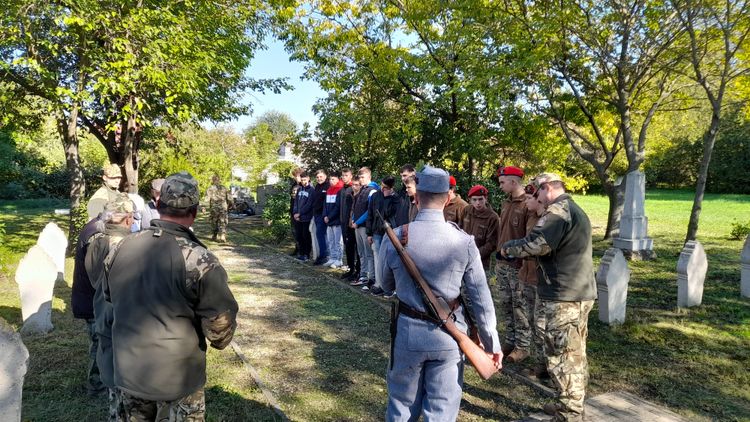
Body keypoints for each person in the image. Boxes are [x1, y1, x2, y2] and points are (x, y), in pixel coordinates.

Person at [104, 172, 238, 421]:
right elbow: (220, 328)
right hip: (178, 379)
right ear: (195, 212)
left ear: (158, 205)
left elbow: (109, 296)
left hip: (129, 370)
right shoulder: (199, 259)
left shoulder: (120, 247)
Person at [379, 165, 502, 420]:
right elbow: (481, 300)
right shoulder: (464, 242)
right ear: (448, 199)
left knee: (402, 408)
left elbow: (385, 285)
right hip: (450, 336)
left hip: (408, 332)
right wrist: (492, 344)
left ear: (417, 196)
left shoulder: (397, 236)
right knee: (442, 412)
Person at [501, 173, 596, 422]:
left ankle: (569, 415)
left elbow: (537, 244)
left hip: (564, 295)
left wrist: (507, 249)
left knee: (563, 356)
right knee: (574, 353)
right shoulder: (573, 210)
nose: (537, 196)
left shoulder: (558, 212)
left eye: (538, 191)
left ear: (547, 188)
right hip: (577, 291)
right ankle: (569, 405)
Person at [85, 193, 134, 421]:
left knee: (109, 371)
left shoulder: (94, 241)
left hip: (101, 312)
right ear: (127, 219)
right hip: (124, 318)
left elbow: (94, 277)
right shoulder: (130, 246)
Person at [494, 165, 532, 363]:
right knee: (506, 303)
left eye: (502, 182)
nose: (499, 186)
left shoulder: (527, 204)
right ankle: (510, 339)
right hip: (502, 264)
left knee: (520, 306)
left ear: (513, 181)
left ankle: (523, 345)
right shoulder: (506, 203)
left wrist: (522, 263)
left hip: (518, 265)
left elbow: (528, 238)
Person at [71, 213, 106, 396]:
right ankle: (96, 385)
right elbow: (98, 274)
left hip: (91, 299)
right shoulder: (97, 234)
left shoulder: (96, 227)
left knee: (99, 341)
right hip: (92, 301)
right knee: (98, 342)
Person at [518, 181, 548, 379]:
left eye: (529, 199)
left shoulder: (547, 221)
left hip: (540, 279)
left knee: (541, 323)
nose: (526, 202)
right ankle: (539, 361)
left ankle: (543, 364)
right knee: (530, 319)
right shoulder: (530, 217)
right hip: (526, 274)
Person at [366, 175, 396, 296]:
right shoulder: (375, 196)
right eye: (382, 186)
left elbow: (390, 213)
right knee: (378, 259)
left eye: (386, 188)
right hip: (376, 232)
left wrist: (388, 197)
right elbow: (370, 214)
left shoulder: (395, 198)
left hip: (389, 233)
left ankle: (388, 286)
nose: (383, 189)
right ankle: (379, 284)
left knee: (388, 260)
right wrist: (369, 233)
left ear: (391, 187)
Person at [350, 167, 379, 287]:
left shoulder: (372, 191)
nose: (361, 180)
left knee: (368, 254)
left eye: (363, 177)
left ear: (369, 177)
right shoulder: (362, 190)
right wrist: (352, 219)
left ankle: (370, 277)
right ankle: (362, 275)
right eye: (360, 177)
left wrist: (358, 221)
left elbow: (369, 211)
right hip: (357, 225)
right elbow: (356, 207)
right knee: (361, 252)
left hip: (365, 226)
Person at [460, 185, 500, 270]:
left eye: (480, 199)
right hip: (462, 258)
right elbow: (459, 231)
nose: (478, 203)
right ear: (470, 200)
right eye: (474, 199)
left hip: (480, 261)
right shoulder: (466, 210)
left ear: (486, 198)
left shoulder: (492, 217)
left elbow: (491, 244)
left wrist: (474, 255)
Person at [338, 168, 359, 280]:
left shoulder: (353, 189)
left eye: (346, 175)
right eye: (342, 175)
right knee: (349, 247)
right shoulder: (343, 189)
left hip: (352, 223)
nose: (344, 177)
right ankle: (351, 269)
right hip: (344, 222)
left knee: (356, 248)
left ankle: (357, 271)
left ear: (351, 176)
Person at [323, 171, 345, 268]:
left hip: (336, 221)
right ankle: (332, 257)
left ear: (338, 179)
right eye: (330, 179)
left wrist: (329, 217)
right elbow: (325, 205)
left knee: (338, 241)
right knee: (330, 240)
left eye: (333, 179)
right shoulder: (328, 190)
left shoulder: (340, 190)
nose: (331, 181)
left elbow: (337, 207)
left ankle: (339, 259)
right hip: (328, 221)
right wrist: (324, 215)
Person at [202, 174, 232, 242]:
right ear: (219, 180)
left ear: (213, 180)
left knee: (214, 222)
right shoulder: (224, 188)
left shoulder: (210, 188)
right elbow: (230, 198)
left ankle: (214, 235)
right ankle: (222, 235)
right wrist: (232, 205)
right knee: (222, 221)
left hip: (214, 208)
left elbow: (206, 199)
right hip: (223, 207)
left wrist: (203, 207)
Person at [293, 171, 314, 261]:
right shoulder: (299, 189)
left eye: (305, 179)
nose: (303, 181)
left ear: (308, 179)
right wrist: (295, 213)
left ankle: (306, 254)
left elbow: (309, 204)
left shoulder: (312, 190)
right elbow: (296, 202)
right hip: (298, 218)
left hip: (306, 218)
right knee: (299, 236)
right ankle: (301, 253)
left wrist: (300, 213)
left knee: (306, 236)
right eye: (302, 180)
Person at [311, 170, 330, 265]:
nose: (319, 178)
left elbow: (326, 202)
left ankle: (324, 256)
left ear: (325, 176)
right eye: (317, 177)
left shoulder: (328, 186)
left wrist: (325, 214)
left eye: (321, 176)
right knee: (319, 235)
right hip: (316, 214)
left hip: (323, 215)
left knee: (321, 234)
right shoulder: (317, 186)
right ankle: (322, 254)